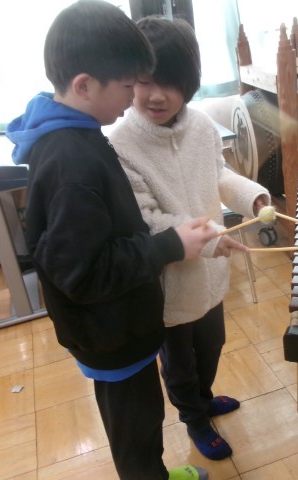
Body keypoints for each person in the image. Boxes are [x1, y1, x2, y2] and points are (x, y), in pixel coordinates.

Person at [6, 2, 245, 478]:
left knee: (143, 423)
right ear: (84, 85)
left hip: (124, 323)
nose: (135, 96)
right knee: (136, 431)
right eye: (128, 84)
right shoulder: (72, 162)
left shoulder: (81, 136)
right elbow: (84, 271)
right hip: (110, 333)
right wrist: (169, 245)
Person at [109, 16, 271, 461]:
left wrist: (253, 198)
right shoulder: (121, 144)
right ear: (130, 80)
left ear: (189, 83)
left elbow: (218, 174)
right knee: (179, 363)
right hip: (170, 283)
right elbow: (147, 219)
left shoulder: (201, 127)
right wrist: (213, 236)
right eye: (144, 82)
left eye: (170, 83)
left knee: (212, 346)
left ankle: (204, 397)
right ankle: (194, 417)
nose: (156, 95)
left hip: (211, 274)